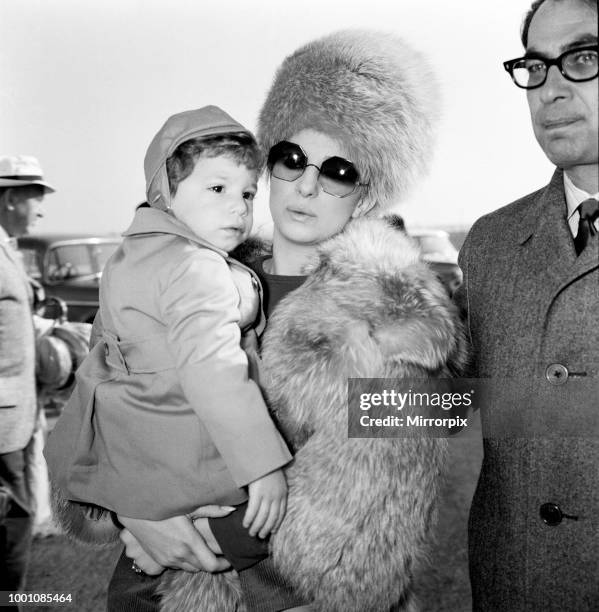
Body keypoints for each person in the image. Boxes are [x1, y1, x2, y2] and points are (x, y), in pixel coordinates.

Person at [52, 31, 464, 612]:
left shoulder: (398, 324)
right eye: (291, 158)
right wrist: (131, 514)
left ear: (369, 195)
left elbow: (363, 513)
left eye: (339, 170)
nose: (307, 183)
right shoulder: (182, 269)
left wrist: (185, 537)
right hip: (143, 587)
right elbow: (100, 406)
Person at [44, 105, 306, 608]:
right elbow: (217, 374)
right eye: (217, 189)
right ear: (165, 190)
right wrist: (262, 466)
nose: (238, 207)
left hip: (133, 470)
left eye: (248, 193)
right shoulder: (198, 268)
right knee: (263, 523)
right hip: (196, 466)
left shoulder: (128, 258)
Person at [455, 1, 598, 609]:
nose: (551, 88)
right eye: (536, 67)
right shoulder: (489, 243)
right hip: (518, 588)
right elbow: (453, 407)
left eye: (583, 57)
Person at [0, 155, 55, 600]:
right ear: (11, 197)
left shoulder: (7, 249)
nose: (41, 209)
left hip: (17, 414)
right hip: (3, 424)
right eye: (36, 197)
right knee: (13, 523)